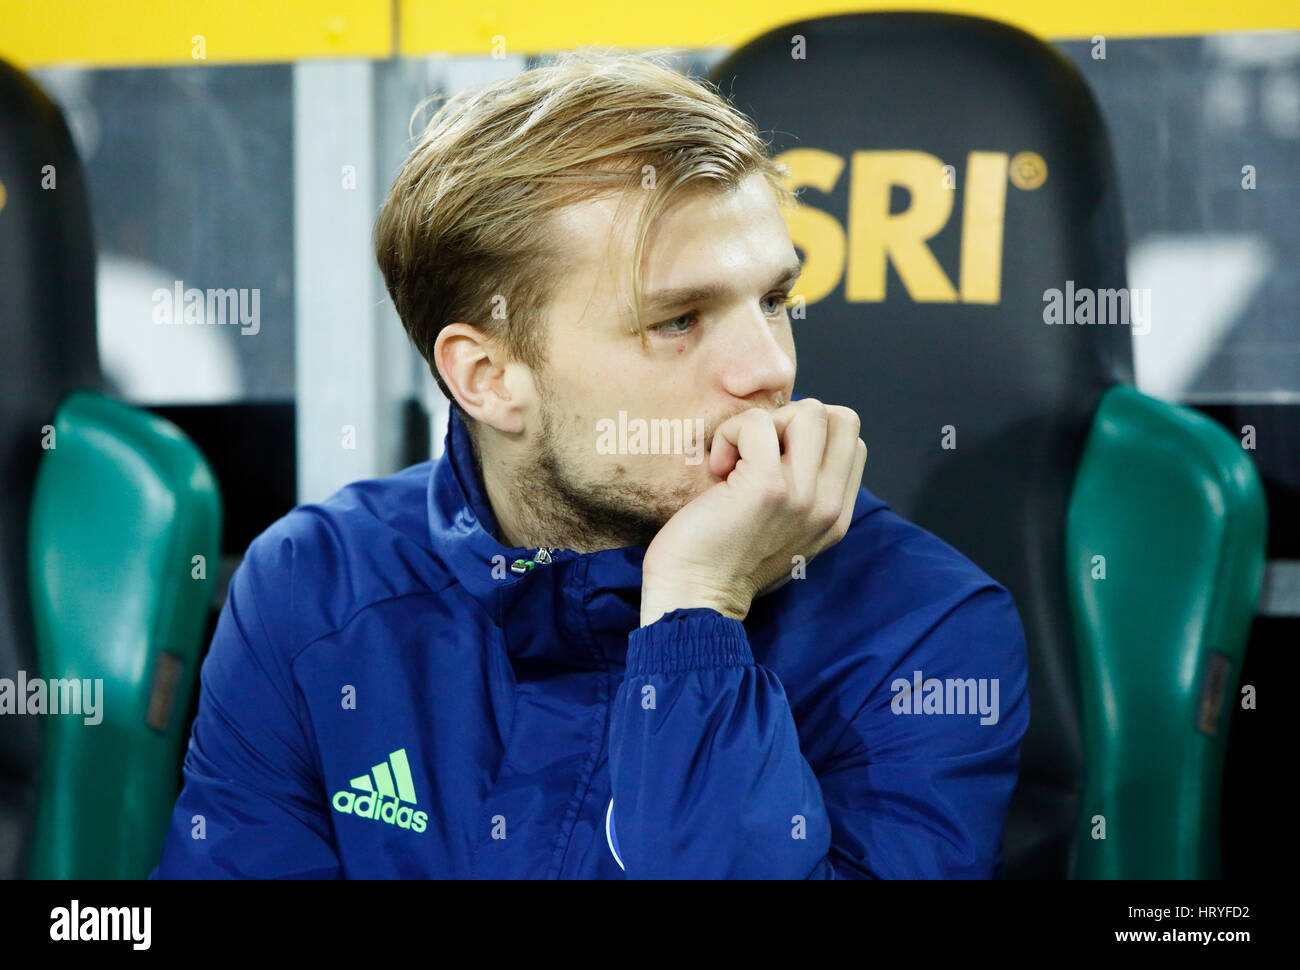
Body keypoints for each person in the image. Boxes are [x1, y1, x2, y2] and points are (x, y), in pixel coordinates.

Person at [152, 47, 1028, 879]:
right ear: (487, 378)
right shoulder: (313, 588)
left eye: (773, 299)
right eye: (677, 321)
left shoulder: (925, 632)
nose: (769, 369)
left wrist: (696, 613)